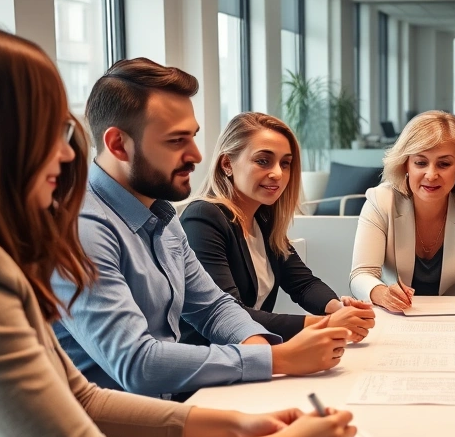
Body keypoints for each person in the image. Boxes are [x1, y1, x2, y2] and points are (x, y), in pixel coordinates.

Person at [0, 19, 356, 437]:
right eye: (50, 133)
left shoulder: (153, 215)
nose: (66, 155)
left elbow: (82, 398)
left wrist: (240, 426)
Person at [51, 58, 348, 398]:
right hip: (117, 431)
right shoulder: (84, 229)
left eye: (193, 137)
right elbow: (137, 363)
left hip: (169, 406)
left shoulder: (160, 216)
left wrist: (264, 351)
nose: (196, 154)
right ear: (118, 145)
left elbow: (213, 307)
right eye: (176, 141)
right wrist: (276, 358)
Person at [180, 112, 376, 343]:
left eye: (285, 163)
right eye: (263, 161)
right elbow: (229, 314)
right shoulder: (204, 217)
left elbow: (303, 284)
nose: (278, 174)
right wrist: (324, 324)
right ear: (227, 164)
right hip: (213, 361)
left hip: (253, 353)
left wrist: (339, 309)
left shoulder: (263, 219)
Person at [350, 110, 455, 314]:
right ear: (406, 165)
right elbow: (361, 273)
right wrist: (381, 292)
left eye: (444, 164)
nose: (431, 175)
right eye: (420, 162)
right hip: (395, 318)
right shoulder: (380, 201)